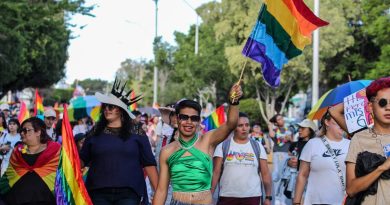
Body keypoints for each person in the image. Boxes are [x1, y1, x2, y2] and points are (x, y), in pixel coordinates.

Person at [153, 83, 243, 205]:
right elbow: (161, 190)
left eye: (194, 118)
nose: (189, 122)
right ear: (177, 119)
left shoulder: (208, 141)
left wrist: (234, 101)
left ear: (199, 121)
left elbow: (231, 124)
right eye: (184, 117)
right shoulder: (167, 151)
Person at [79, 78, 158, 205]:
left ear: (121, 110)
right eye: (105, 106)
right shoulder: (95, 132)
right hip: (98, 193)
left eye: (111, 106)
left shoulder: (137, 132)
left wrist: (158, 194)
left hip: (129, 193)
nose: (107, 109)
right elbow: (82, 159)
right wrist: (68, 157)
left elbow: (149, 163)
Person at [344, 76, 390, 205]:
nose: (388, 108)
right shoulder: (359, 139)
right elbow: (351, 189)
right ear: (370, 106)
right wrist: (382, 168)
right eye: (382, 102)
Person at [212, 112, 272, 205]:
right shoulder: (223, 146)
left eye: (247, 125)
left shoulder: (258, 146)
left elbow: (265, 173)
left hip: (253, 197)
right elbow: (216, 172)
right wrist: (209, 194)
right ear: (234, 127)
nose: (244, 128)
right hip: (227, 196)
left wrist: (268, 197)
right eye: (240, 125)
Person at [0, 117, 61, 205]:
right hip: (17, 200)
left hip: (46, 201)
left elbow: (64, 176)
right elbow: (8, 176)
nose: (21, 133)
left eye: (26, 130)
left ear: (38, 132)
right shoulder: (17, 151)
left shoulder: (55, 150)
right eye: (21, 130)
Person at [293, 112, 350, 205]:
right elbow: (302, 175)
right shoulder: (312, 144)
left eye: (343, 119)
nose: (341, 121)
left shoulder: (351, 145)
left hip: (343, 202)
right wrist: (296, 202)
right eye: (337, 118)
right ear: (327, 122)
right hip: (315, 202)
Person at [281, 119, 317, 201]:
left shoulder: (316, 145)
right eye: (299, 128)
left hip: (311, 181)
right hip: (295, 180)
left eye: (303, 128)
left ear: (310, 131)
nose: (300, 130)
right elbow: (287, 160)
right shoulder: (293, 145)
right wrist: (288, 162)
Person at [268, 114, 293, 205]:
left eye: (281, 118)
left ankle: (282, 199)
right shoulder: (275, 130)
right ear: (276, 122)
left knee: (285, 176)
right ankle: (277, 198)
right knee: (277, 175)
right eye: (279, 119)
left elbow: (292, 141)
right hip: (278, 153)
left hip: (287, 154)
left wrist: (290, 138)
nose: (281, 120)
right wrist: (270, 125)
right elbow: (271, 135)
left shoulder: (289, 129)